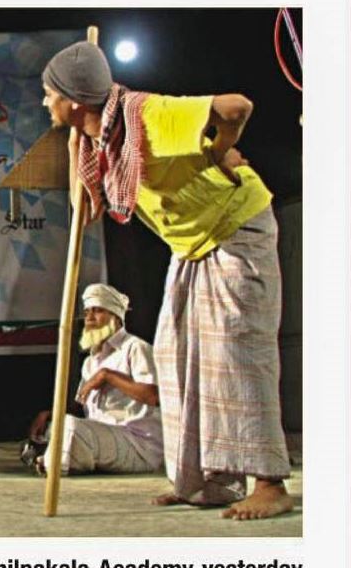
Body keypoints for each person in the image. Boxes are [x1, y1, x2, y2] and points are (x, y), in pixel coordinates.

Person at [40, 41, 292, 519]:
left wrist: (217, 151)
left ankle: (269, 482)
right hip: (190, 245)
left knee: (237, 351)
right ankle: (204, 482)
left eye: (49, 93)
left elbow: (237, 107)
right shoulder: (96, 139)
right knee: (175, 359)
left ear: (73, 101)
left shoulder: (146, 116)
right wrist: (74, 145)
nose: (44, 101)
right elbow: (85, 210)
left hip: (236, 228)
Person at [25, 284, 162, 476]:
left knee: (70, 427)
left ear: (116, 316)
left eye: (97, 310)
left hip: (137, 444)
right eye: (87, 312)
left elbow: (153, 396)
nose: (89, 318)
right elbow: (80, 407)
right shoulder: (91, 361)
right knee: (55, 426)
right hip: (103, 435)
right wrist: (50, 415)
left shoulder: (135, 348)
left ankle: (53, 464)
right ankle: (58, 457)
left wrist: (107, 375)